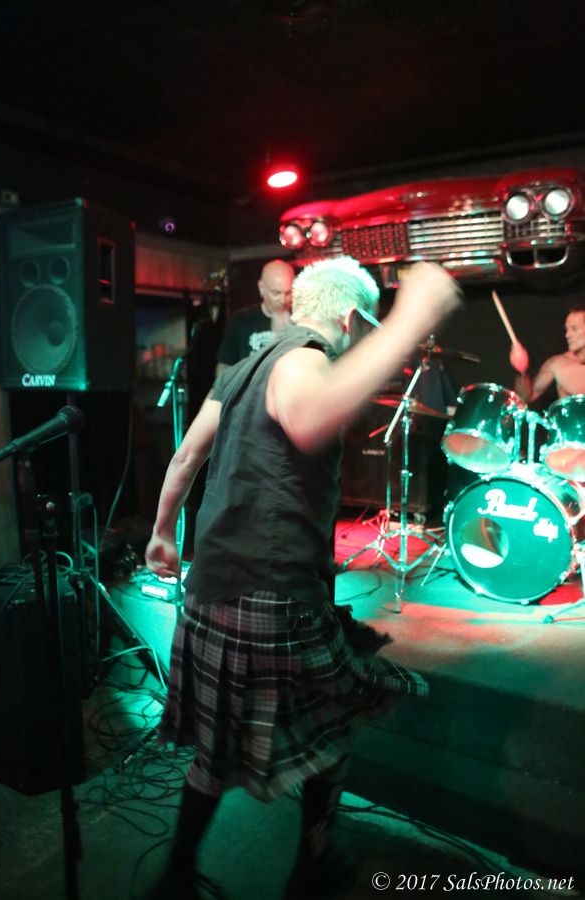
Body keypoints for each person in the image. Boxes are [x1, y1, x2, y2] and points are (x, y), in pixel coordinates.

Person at [144, 258, 461, 900]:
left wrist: (161, 531)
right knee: (332, 732)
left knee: (215, 751)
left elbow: (185, 456)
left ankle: (174, 878)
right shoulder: (304, 358)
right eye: (369, 324)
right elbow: (311, 420)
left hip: (214, 590)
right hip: (273, 594)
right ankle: (312, 869)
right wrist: (412, 319)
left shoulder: (239, 370)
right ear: (351, 316)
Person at [215, 258, 295, 376]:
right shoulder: (241, 320)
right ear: (261, 288)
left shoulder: (301, 320)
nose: (283, 300)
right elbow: (224, 365)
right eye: (276, 293)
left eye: (288, 293)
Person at [509, 304, 585, 401]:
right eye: (567, 329)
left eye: (574, 329)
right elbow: (525, 398)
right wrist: (521, 371)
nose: (567, 335)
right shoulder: (557, 363)